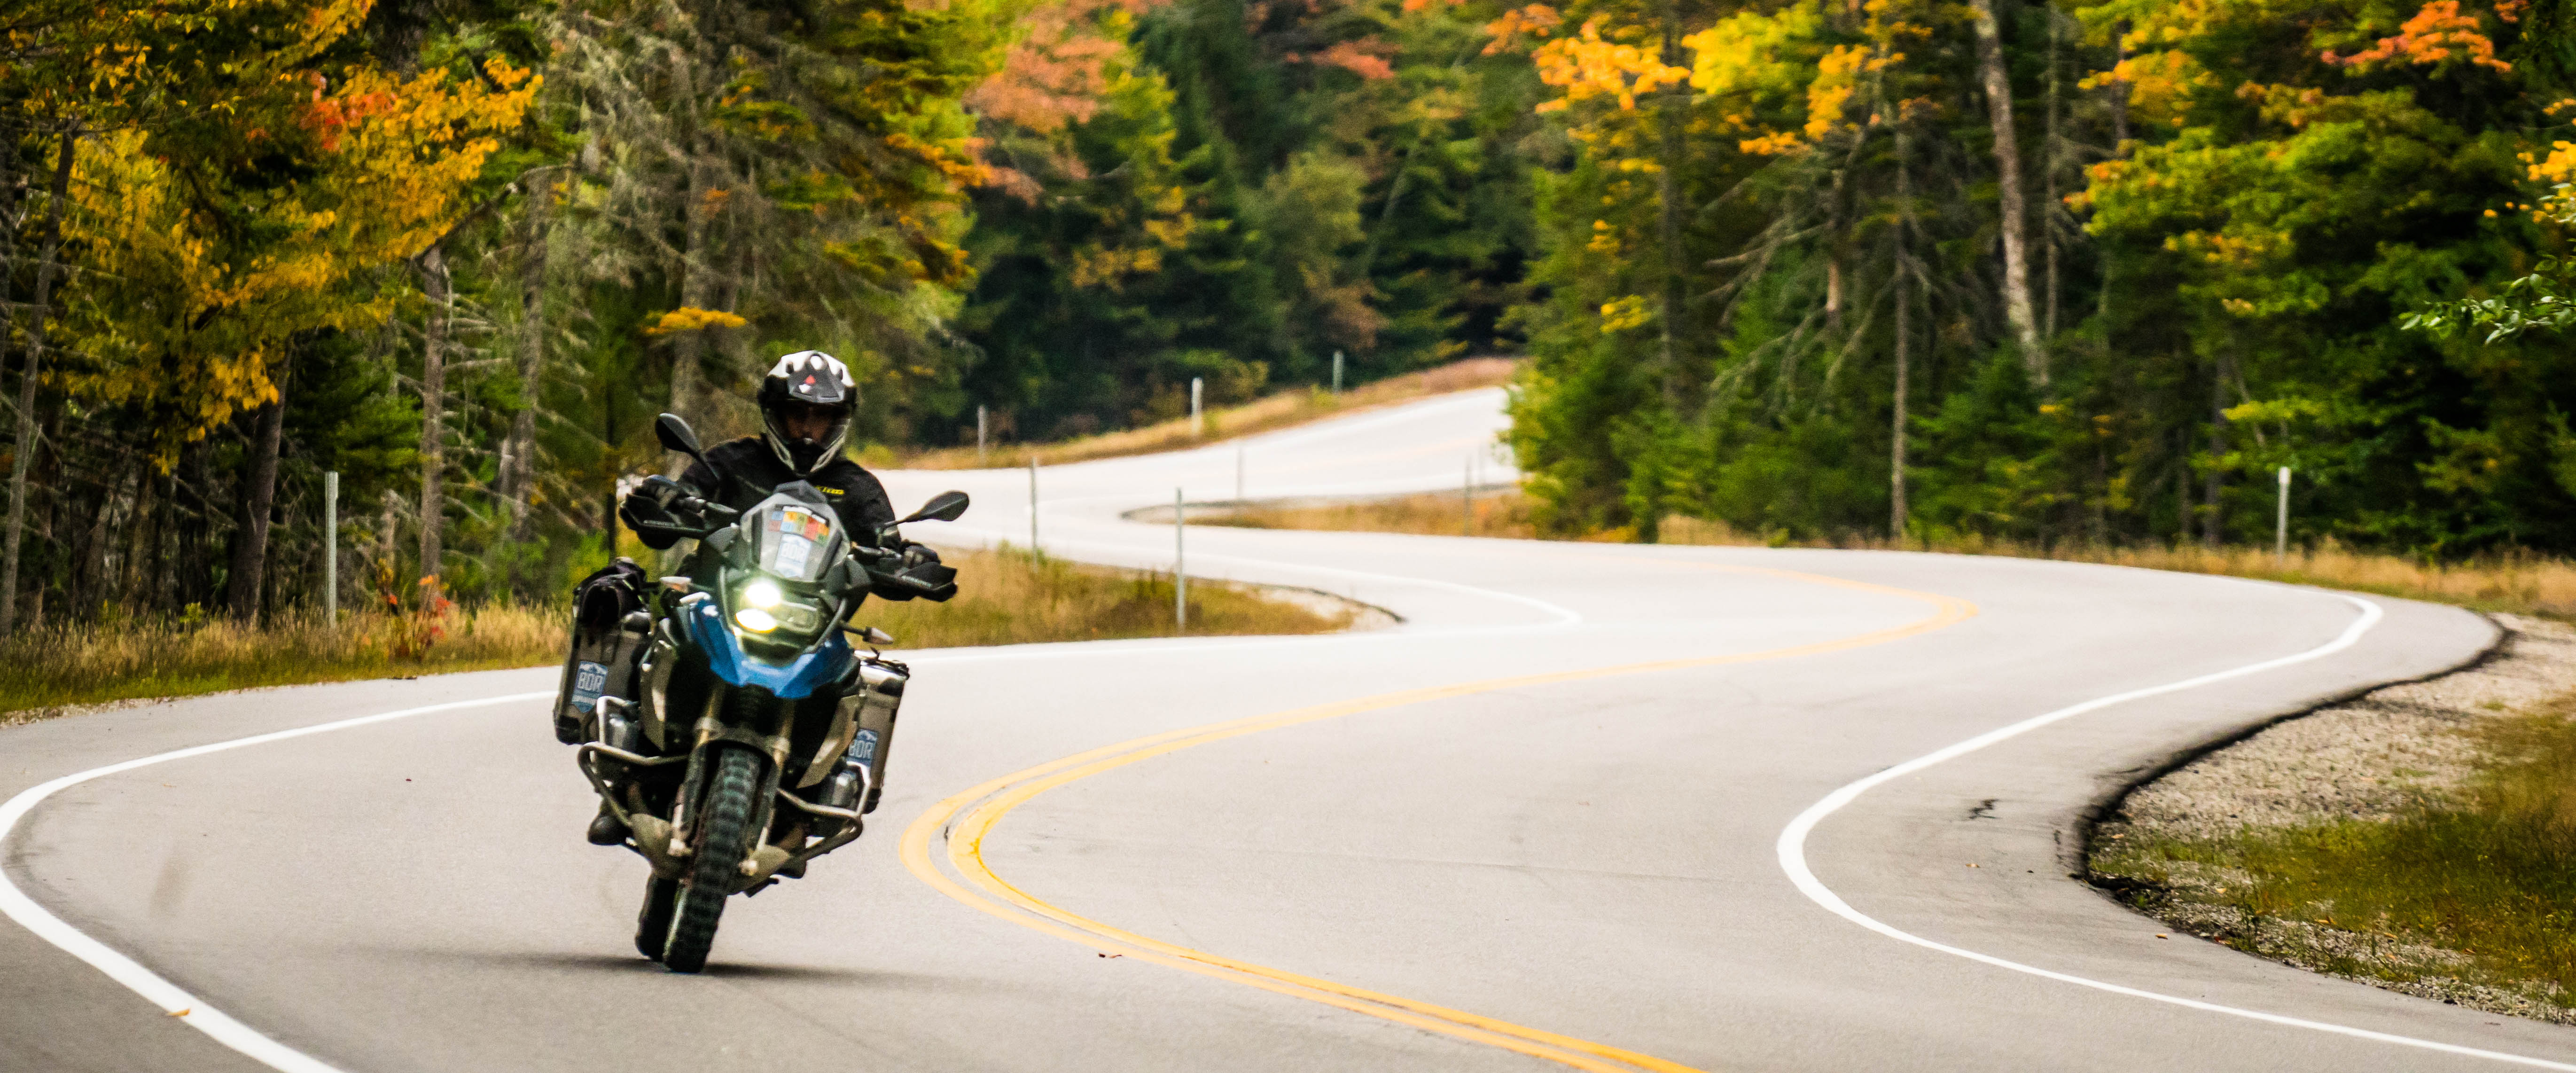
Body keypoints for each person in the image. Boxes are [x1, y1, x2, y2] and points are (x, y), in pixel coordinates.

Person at [576, 349, 935, 846]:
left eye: (821, 417)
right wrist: (662, 498)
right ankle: (623, 776)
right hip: (713, 601)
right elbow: (674, 507)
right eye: (798, 415)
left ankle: (817, 793)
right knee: (654, 625)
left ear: (840, 421)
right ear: (774, 413)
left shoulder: (858, 489)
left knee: (858, 681)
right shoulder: (730, 461)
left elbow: (888, 546)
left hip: (812, 624)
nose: (808, 430)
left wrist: (911, 559)